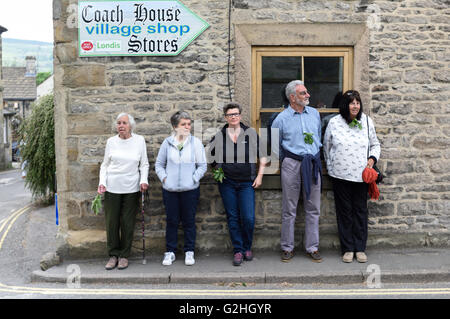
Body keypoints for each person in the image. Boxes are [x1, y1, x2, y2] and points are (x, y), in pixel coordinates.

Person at [323, 90, 381, 263]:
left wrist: (372, 159)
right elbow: (327, 147)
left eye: (357, 102)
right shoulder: (334, 122)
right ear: (345, 105)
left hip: (361, 176)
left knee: (360, 211)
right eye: (351, 102)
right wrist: (331, 166)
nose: (355, 106)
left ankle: (360, 248)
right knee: (345, 213)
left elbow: (375, 144)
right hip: (340, 176)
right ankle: (348, 249)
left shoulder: (367, 121)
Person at [207, 102, 267, 266]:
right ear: (225, 117)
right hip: (227, 183)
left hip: (247, 183)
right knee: (233, 218)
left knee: (248, 217)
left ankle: (248, 247)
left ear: (240, 116)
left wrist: (260, 176)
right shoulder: (219, 135)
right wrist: (217, 171)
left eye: (236, 114)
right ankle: (238, 250)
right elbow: (210, 156)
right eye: (230, 115)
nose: (233, 117)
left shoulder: (250, 134)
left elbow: (263, 155)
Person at [271, 80, 323, 263]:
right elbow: (274, 146)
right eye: (303, 93)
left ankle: (312, 247)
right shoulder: (281, 119)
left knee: (313, 208)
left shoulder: (315, 114)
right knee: (289, 208)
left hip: (313, 164)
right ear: (292, 97)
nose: (308, 95)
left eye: (306, 92)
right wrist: (284, 163)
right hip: (292, 164)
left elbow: (318, 137)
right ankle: (287, 247)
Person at [98, 113, 149, 270]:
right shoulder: (111, 142)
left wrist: (143, 180)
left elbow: (144, 164)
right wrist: (102, 182)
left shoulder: (139, 141)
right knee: (112, 222)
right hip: (112, 187)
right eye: (119, 123)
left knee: (127, 223)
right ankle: (113, 255)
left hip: (131, 187)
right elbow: (105, 165)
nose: (121, 125)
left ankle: (124, 256)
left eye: (124, 123)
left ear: (130, 126)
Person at [155, 111, 207, 266]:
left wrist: (193, 178)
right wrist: (165, 179)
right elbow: (159, 165)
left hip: (190, 190)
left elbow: (202, 166)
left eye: (189, 124)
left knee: (189, 221)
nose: (187, 127)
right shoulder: (167, 143)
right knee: (171, 221)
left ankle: (189, 251)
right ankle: (170, 252)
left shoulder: (195, 143)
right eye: (183, 124)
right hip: (170, 190)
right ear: (175, 126)